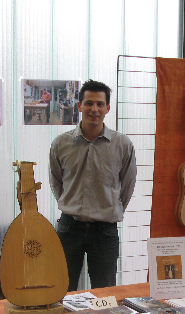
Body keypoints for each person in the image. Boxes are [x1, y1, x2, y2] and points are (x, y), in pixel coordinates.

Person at [49, 79, 137, 292]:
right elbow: (56, 182)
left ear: (108, 108)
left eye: (99, 104)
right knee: (62, 291)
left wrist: (109, 210)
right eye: (88, 103)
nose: (94, 109)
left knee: (104, 293)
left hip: (104, 231)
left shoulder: (122, 145)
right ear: (79, 106)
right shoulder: (61, 144)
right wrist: (70, 202)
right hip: (69, 228)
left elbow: (127, 186)